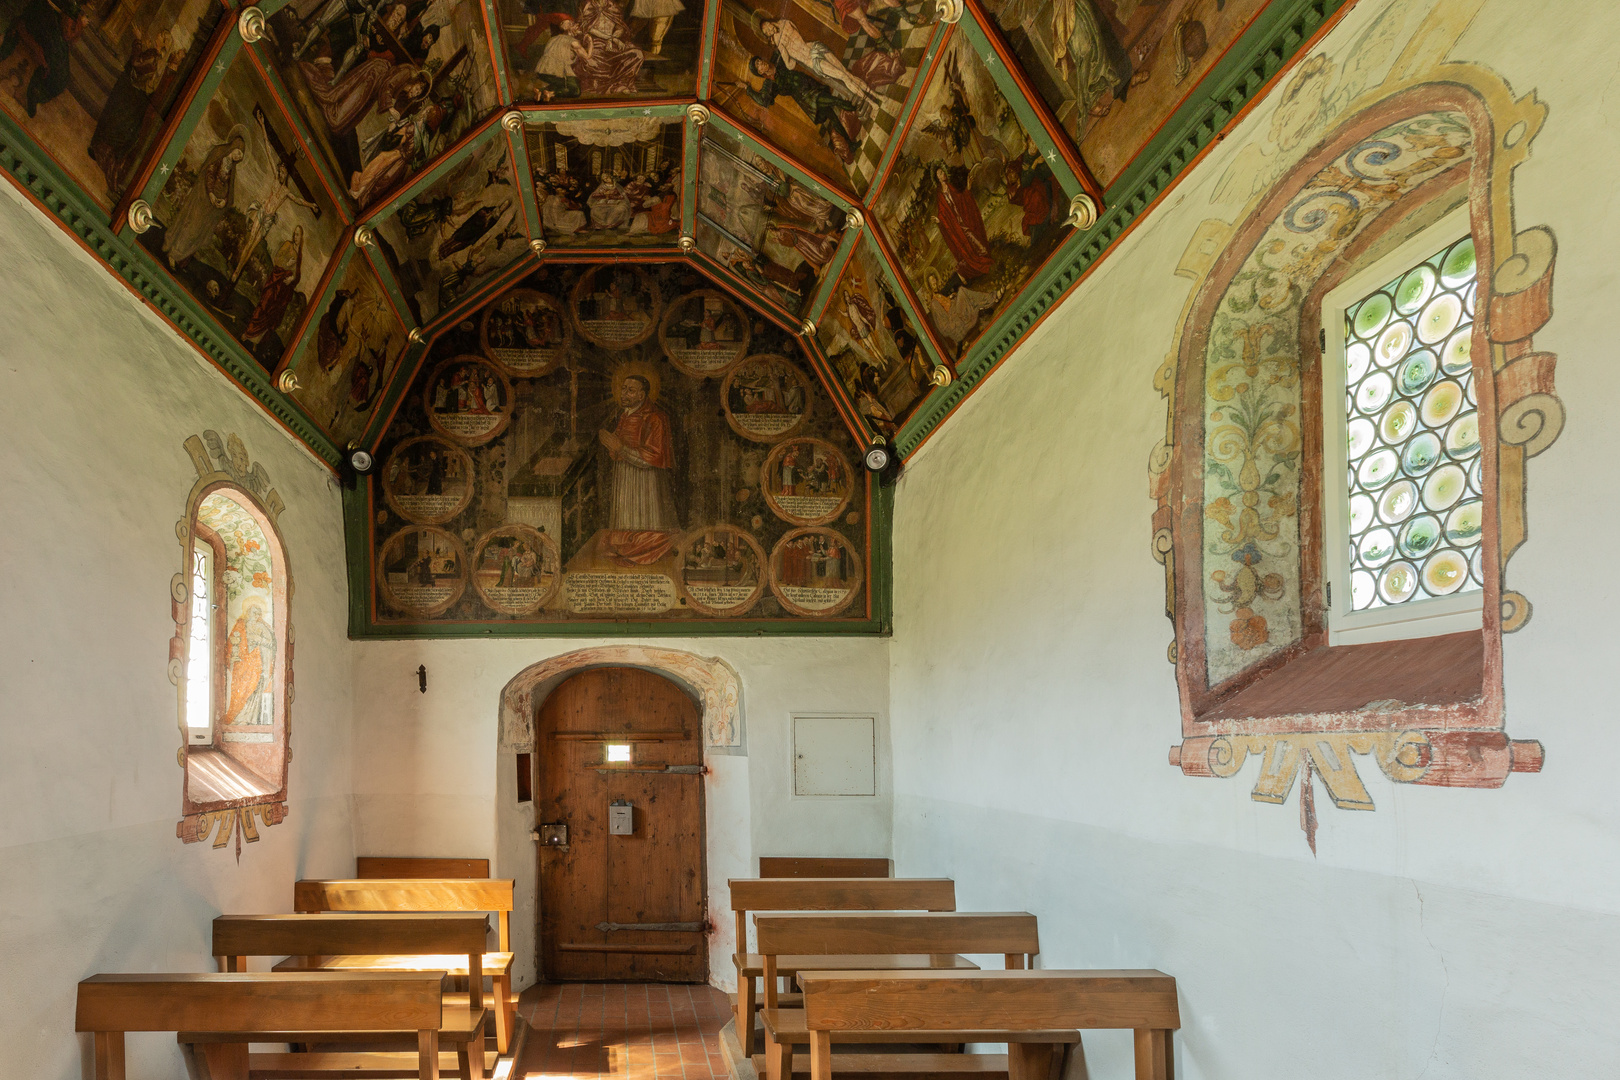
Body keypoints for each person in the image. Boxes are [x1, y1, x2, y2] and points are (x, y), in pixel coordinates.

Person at [597, 375, 679, 564]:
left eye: (630, 390)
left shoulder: (655, 417)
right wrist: (613, 446)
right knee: (623, 523)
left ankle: (644, 549)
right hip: (624, 476)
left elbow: (651, 458)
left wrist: (620, 448)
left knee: (645, 523)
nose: (624, 393)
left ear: (642, 395)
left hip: (645, 481)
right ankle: (625, 547)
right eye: (624, 388)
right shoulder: (625, 415)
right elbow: (618, 446)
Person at [748, 54, 860, 163]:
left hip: (810, 85)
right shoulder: (770, 84)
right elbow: (763, 100)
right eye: (758, 65)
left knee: (833, 118)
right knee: (832, 100)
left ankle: (851, 145)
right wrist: (748, 89)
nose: (761, 63)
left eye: (759, 60)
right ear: (760, 72)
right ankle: (851, 106)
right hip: (805, 98)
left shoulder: (778, 61)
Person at [933, 164, 992, 279]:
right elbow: (942, 212)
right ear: (938, 179)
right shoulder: (940, 196)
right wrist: (939, 220)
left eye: (943, 172)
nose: (943, 174)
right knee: (968, 239)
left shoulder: (950, 187)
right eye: (940, 173)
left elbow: (960, 198)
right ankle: (978, 258)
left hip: (962, 218)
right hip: (955, 225)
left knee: (972, 235)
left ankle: (980, 257)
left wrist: (967, 189)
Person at [223, 597, 274, 726]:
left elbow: (270, 643)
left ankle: (249, 719)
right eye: (253, 612)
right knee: (239, 689)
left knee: (253, 688)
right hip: (241, 664)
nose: (256, 615)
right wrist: (232, 655)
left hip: (255, 662)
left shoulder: (261, 627)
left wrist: (259, 639)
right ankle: (237, 716)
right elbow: (230, 644)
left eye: (258, 613)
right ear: (247, 612)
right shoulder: (240, 625)